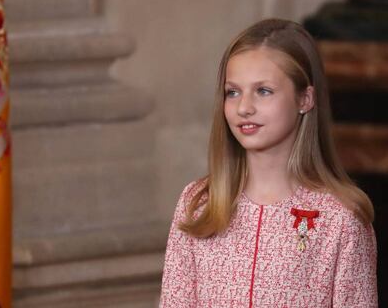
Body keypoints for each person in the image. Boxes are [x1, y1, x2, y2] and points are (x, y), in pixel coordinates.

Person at [159, 18, 378, 308]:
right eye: (233, 92)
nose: (244, 107)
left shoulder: (340, 219)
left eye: (263, 91)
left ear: (305, 99)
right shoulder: (198, 203)